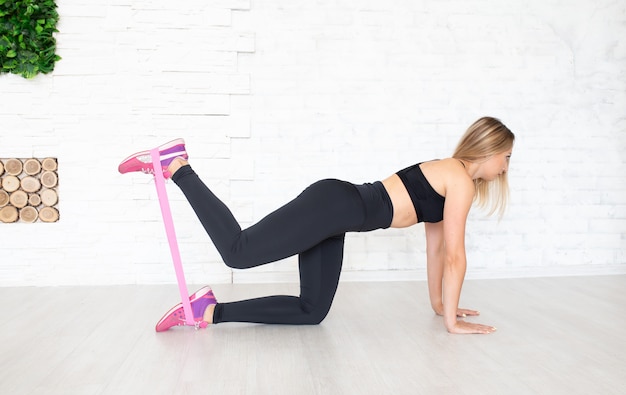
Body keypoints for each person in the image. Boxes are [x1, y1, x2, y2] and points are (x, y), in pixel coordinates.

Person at [118, 116, 514, 334]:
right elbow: (457, 257)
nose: (506, 166)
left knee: (312, 311)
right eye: (507, 157)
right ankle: (178, 166)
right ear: (492, 150)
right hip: (336, 205)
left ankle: (207, 312)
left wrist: (440, 305)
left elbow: (439, 250)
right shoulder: (460, 179)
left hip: (339, 216)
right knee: (237, 252)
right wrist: (451, 326)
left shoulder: (452, 177)